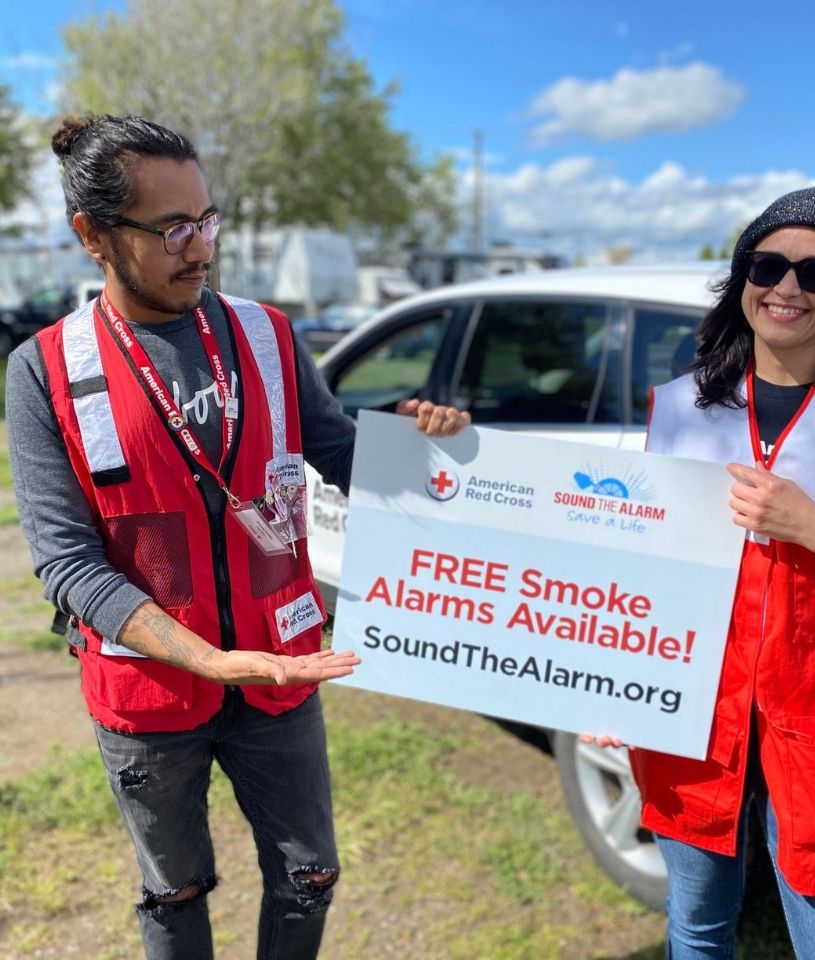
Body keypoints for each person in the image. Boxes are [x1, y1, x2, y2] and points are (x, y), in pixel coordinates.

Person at [4, 113, 470, 960]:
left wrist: (416, 440)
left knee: (310, 874)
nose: (200, 247)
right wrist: (209, 659)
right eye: (173, 228)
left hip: (280, 674)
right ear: (92, 235)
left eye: (208, 219)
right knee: (173, 892)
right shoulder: (44, 369)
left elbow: (337, 454)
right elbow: (67, 564)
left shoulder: (267, 335)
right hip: (148, 697)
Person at [588, 186, 815, 959]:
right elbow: (636, 566)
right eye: (769, 264)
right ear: (743, 279)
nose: (788, 287)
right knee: (694, 929)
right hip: (692, 724)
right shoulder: (683, 407)